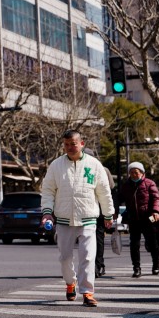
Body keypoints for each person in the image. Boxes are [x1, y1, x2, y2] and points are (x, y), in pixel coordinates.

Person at [41, 130, 116, 307]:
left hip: (88, 217)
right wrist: (46, 212)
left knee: (88, 257)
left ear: (82, 143)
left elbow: (104, 192)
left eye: (73, 144)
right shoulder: (56, 165)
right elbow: (48, 191)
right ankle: (70, 283)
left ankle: (87, 292)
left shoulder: (94, 165)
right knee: (65, 258)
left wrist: (108, 214)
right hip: (64, 219)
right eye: (66, 144)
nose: (70, 147)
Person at [118, 161, 159, 278]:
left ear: (142, 173)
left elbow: (157, 199)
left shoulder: (149, 183)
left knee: (152, 243)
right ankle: (136, 268)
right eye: (131, 173)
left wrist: (156, 212)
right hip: (133, 219)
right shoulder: (126, 186)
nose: (133, 175)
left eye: (136, 172)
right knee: (134, 244)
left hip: (148, 218)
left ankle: (156, 264)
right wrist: (113, 212)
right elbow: (118, 199)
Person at [89, 152, 115, 278]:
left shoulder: (103, 170)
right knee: (96, 239)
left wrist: (109, 213)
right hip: (92, 209)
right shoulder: (104, 169)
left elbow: (109, 189)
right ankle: (97, 265)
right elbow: (111, 187)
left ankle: (97, 265)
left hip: (97, 209)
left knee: (95, 239)